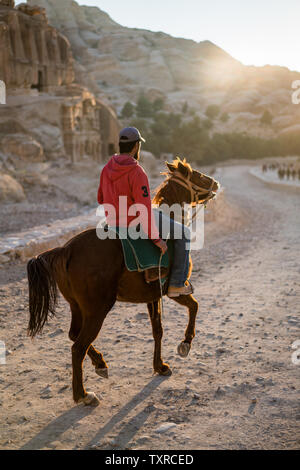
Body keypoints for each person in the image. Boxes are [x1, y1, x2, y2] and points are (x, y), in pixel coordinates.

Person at [97, 127, 192, 297]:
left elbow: (100, 198)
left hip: (112, 223)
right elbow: (144, 210)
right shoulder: (136, 171)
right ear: (136, 147)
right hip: (135, 221)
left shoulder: (106, 169)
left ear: (120, 145)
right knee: (184, 232)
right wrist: (157, 240)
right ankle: (177, 284)